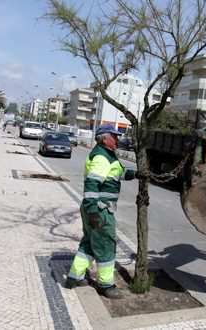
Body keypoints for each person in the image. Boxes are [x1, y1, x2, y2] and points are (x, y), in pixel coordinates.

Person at [65, 124, 137, 299]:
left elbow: (116, 173)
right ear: (105, 138)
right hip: (100, 209)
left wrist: (136, 174)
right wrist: (93, 212)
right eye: (115, 136)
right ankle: (106, 285)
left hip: (95, 209)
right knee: (105, 246)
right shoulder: (101, 158)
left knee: (88, 243)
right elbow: (91, 185)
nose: (118, 139)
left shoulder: (106, 155)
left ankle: (74, 277)